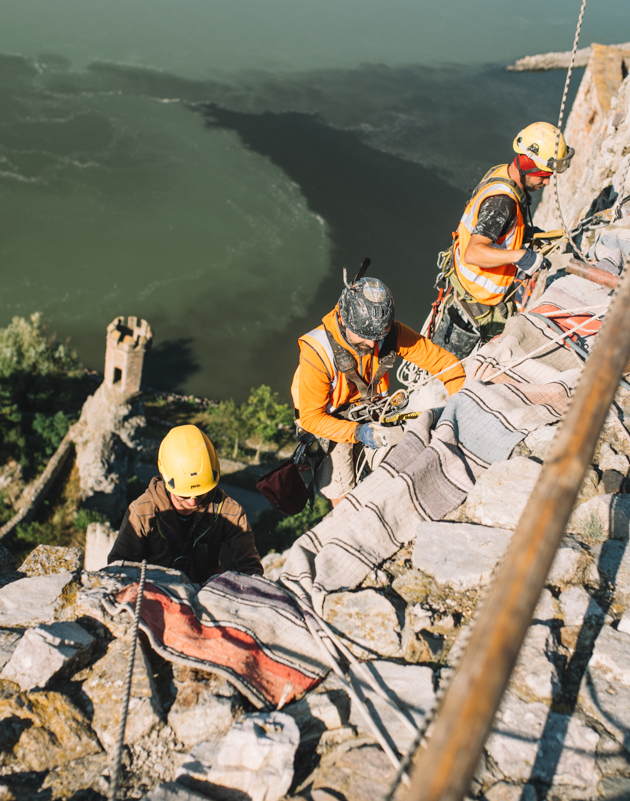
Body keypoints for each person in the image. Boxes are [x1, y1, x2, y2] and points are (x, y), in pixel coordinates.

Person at [291, 273, 465, 505]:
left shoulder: (388, 333)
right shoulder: (317, 352)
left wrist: (462, 405)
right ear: (343, 319)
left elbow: (444, 364)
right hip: (327, 420)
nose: (372, 344)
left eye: (378, 336)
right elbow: (311, 418)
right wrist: (358, 433)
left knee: (401, 463)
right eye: (364, 337)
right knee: (341, 493)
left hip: (368, 409)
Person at [445, 121, 575, 340]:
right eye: (544, 175)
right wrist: (521, 256)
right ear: (528, 165)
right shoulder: (502, 202)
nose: (547, 182)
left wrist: (527, 235)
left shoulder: (500, 173)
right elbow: (473, 252)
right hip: (479, 308)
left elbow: (495, 227)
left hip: (465, 290)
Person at [107, 424, 263, 583]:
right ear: (166, 479)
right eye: (184, 495)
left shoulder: (229, 512)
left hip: (206, 591)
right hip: (156, 591)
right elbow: (119, 566)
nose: (193, 501)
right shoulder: (143, 512)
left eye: (201, 493)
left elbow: (249, 567)